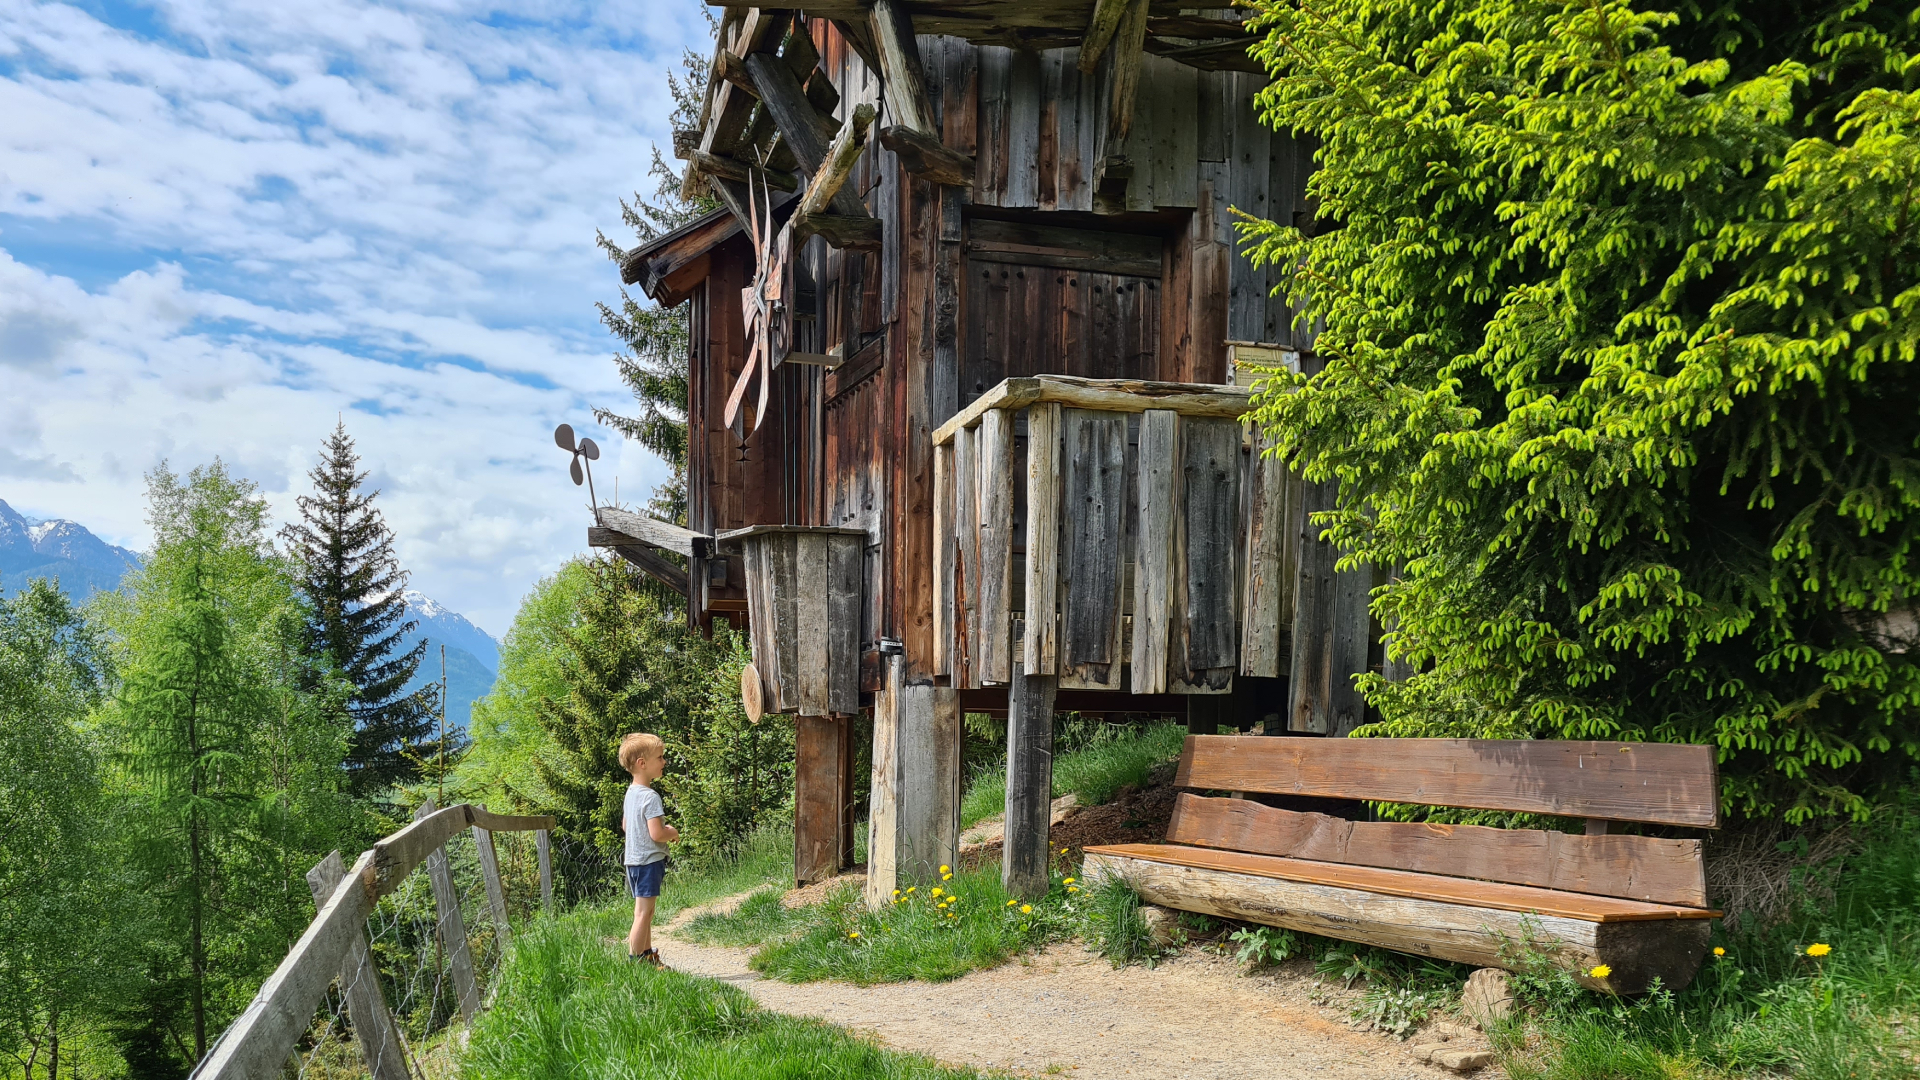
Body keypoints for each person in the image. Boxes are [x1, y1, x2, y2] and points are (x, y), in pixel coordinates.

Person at [618, 732, 677, 966]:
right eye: (660, 758)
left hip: (633, 861)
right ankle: (635, 963)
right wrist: (672, 832)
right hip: (649, 862)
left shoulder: (631, 793)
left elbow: (626, 825)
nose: (664, 762)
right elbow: (657, 834)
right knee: (643, 914)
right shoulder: (650, 797)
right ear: (642, 763)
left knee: (646, 912)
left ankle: (647, 955)